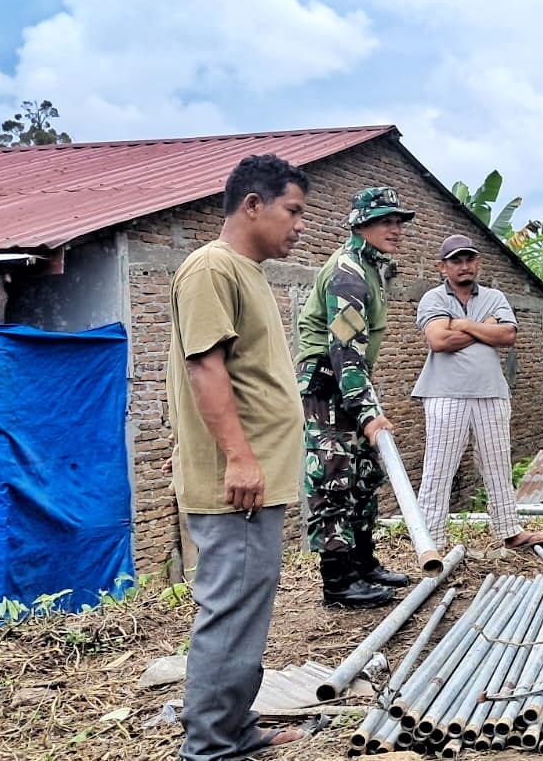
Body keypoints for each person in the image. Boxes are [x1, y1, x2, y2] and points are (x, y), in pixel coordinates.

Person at [169, 154, 311, 760]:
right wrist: (240, 458)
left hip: (259, 481)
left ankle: (231, 726)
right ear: (253, 204)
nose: (300, 225)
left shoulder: (247, 271)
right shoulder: (210, 268)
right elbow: (207, 367)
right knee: (229, 614)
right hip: (238, 484)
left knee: (246, 611)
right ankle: (209, 747)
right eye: (293, 210)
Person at [295, 187, 415, 608]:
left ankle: (364, 563)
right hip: (328, 386)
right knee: (333, 479)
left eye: (398, 221)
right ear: (359, 224)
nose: (395, 228)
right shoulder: (348, 271)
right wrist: (366, 414)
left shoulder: (370, 267)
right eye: (385, 220)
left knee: (364, 475)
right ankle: (339, 582)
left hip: (352, 382)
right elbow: (344, 350)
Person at [413, 234, 543, 553]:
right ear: (442, 267)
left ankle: (509, 529)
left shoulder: (494, 296)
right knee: (439, 467)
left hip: (491, 393)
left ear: (478, 263)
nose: (464, 266)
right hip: (445, 394)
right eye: (456, 261)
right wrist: (482, 328)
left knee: (497, 464)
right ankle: (431, 541)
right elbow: (438, 341)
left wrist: (460, 324)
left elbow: (507, 335)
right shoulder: (434, 298)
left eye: (469, 259)